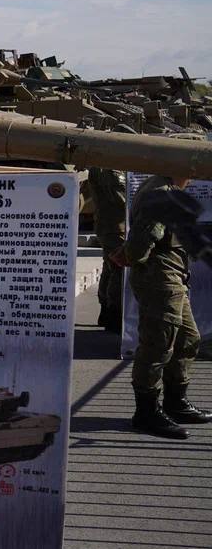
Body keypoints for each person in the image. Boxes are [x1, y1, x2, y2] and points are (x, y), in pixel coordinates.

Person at [123, 174, 212, 439]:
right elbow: (140, 245)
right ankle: (146, 412)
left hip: (172, 275)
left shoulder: (167, 187)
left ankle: (176, 402)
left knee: (188, 339)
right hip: (159, 277)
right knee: (158, 344)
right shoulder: (161, 192)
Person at [87, 167, 126, 332]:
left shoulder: (103, 165)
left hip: (111, 224)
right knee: (119, 268)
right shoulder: (110, 168)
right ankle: (114, 313)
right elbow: (121, 197)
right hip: (115, 226)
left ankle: (106, 311)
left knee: (110, 267)